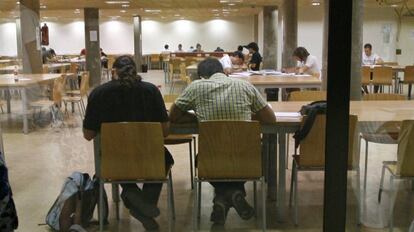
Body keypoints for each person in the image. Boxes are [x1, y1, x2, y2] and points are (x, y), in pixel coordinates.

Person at [169, 58, 276, 225]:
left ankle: (223, 197)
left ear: (201, 75)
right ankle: (233, 194)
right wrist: (247, 117)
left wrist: (197, 118)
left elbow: (173, 116)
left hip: (211, 160)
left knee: (204, 161)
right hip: (247, 160)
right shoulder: (244, 85)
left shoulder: (196, 87)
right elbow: (270, 119)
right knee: (246, 159)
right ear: (223, 71)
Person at [82, 56, 173, 230]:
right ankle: (143, 202)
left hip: (112, 161)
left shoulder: (99, 93)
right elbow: (164, 131)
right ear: (135, 70)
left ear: (113, 72)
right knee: (165, 159)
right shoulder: (151, 90)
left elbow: (88, 135)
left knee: (118, 158)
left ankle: (132, 193)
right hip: (150, 158)